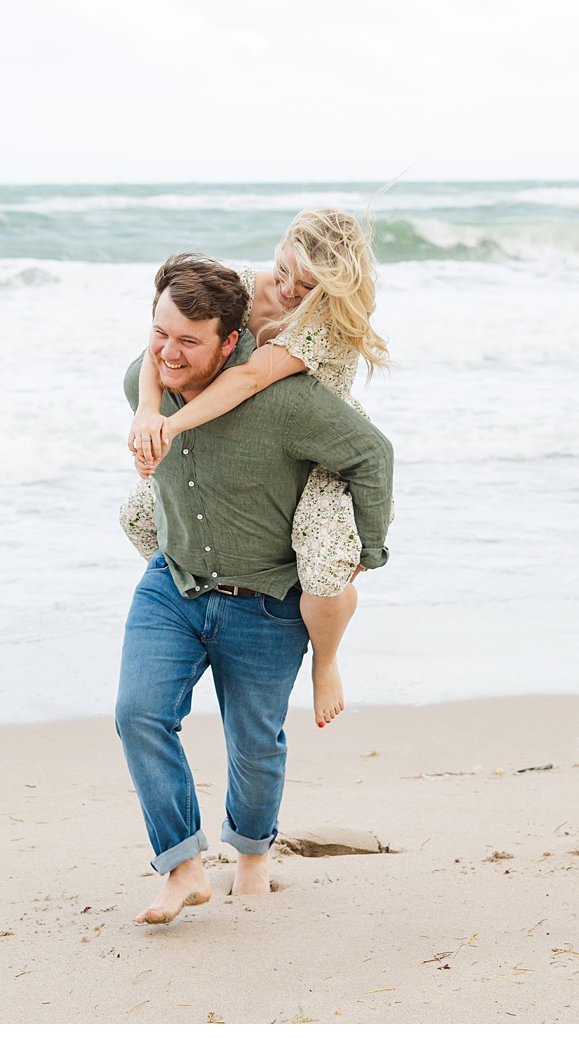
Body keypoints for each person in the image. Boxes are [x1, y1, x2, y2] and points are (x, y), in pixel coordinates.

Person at [116, 253, 392, 925]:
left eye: (188, 340)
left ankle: (251, 855)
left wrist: (367, 550)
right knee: (138, 713)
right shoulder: (144, 381)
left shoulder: (286, 401)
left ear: (230, 341)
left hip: (265, 599)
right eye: (160, 333)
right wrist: (154, 388)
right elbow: (149, 365)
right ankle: (182, 865)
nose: (167, 352)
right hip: (174, 583)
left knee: (255, 741)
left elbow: (372, 453)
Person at [120, 208, 391, 729]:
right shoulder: (242, 285)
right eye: (284, 268)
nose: (288, 288)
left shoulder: (325, 323)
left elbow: (246, 379)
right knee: (136, 516)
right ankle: (193, 595)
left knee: (322, 568)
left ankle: (327, 659)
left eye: (307, 284)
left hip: (314, 445)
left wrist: (170, 431)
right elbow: (157, 346)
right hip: (244, 432)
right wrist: (148, 413)